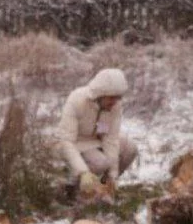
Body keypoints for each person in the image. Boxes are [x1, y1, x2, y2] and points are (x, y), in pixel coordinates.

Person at [56, 68, 138, 196]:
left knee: (130, 147)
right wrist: (83, 172)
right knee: (100, 162)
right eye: (111, 98)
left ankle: (104, 188)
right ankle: (73, 189)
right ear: (100, 94)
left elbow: (110, 139)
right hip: (76, 143)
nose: (115, 102)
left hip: (95, 140)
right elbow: (65, 141)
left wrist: (112, 175)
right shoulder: (76, 100)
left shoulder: (113, 106)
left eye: (118, 97)